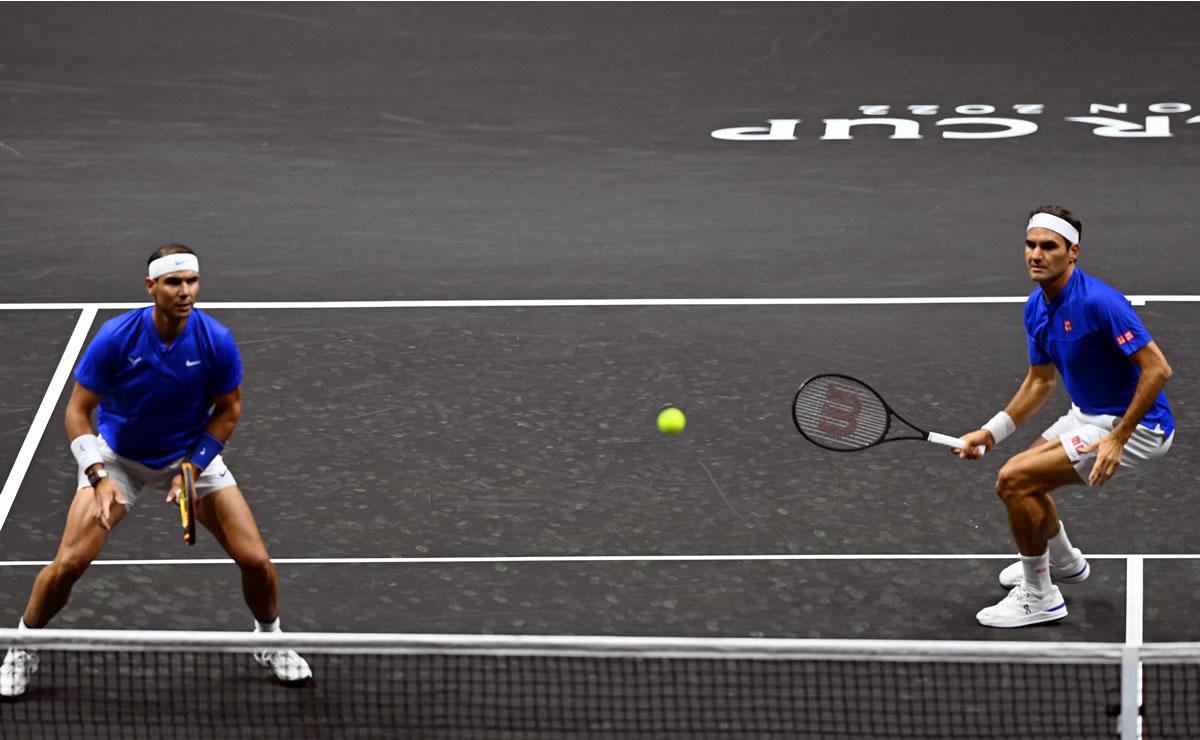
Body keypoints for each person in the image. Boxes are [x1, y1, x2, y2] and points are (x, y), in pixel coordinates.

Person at [1, 244, 311, 697]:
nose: (185, 292)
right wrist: (97, 476)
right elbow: (77, 412)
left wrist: (194, 464)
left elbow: (229, 409)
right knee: (69, 563)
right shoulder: (116, 337)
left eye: (191, 282)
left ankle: (269, 639)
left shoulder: (215, 341)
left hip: (186, 457)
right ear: (152, 287)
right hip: (117, 459)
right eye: (173, 282)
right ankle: (23, 644)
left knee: (256, 562)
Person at [955, 206, 1174, 628]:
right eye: (1031, 245)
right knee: (1025, 478)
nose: (1036, 254)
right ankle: (1066, 562)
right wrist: (990, 433)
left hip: (1137, 427)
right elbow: (1039, 382)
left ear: (1072, 252)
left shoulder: (1098, 302)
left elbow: (1158, 369)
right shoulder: (1036, 306)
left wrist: (1118, 438)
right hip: (1087, 415)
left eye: (1048, 247)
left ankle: (1040, 596)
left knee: (1014, 480)